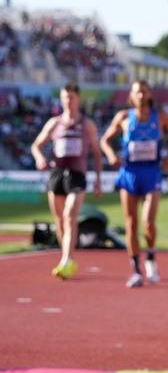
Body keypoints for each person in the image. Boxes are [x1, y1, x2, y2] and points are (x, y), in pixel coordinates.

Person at [100, 80, 168, 288]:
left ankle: (151, 259)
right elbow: (104, 140)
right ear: (131, 95)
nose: (140, 95)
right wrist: (111, 155)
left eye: (144, 92)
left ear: (149, 95)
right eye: (137, 92)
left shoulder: (160, 117)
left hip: (152, 172)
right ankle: (136, 271)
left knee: (148, 222)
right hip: (129, 173)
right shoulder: (123, 117)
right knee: (131, 224)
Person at [31, 83, 103, 279]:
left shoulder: (86, 124)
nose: (67, 101)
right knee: (60, 220)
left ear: (78, 99)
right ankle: (66, 256)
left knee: (70, 215)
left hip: (77, 175)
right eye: (64, 97)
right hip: (56, 174)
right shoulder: (54, 123)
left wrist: (98, 180)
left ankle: (67, 259)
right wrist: (39, 158)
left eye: (71, 97)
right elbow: (36, 145)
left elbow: (97, 154)